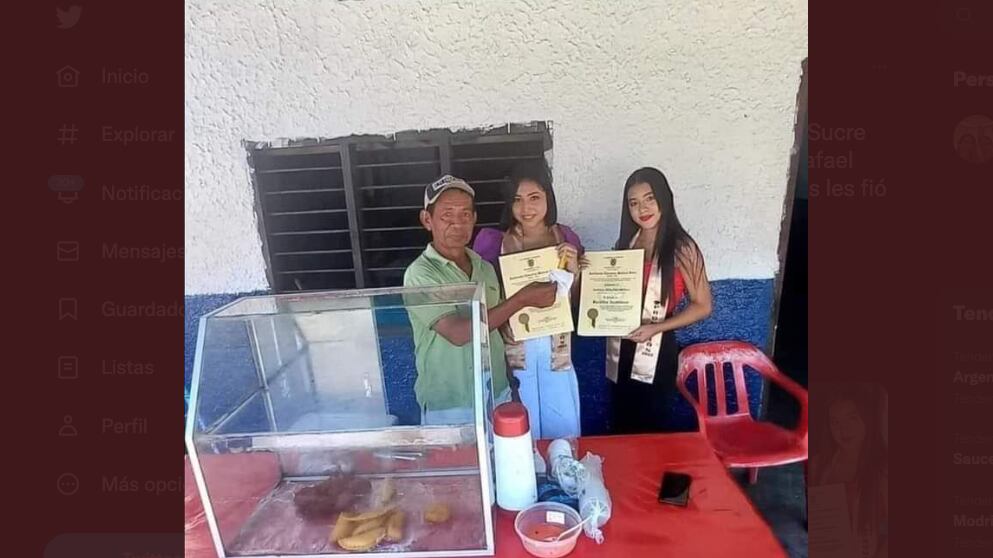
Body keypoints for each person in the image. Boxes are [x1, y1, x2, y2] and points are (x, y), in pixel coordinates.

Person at [404, 175, 557, 425]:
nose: (457, 223)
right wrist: (522, 299)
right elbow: (459, 333)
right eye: (447, 215)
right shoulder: (420, 274)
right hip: (450, 405)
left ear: (474, 219)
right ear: (427, 220)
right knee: (456, 465)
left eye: (465, 214)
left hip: (497, 395)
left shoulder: (484, 267)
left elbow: (494, 330)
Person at [473, 160, 583, 439]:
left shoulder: (566, 238)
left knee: (563, 432)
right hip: (514, 354)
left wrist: (575, 273)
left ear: (548, 198)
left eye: (534, 198)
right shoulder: (492, 243)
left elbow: (575, 304)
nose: (526, 208)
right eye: (517, 200)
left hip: (556, 352)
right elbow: (486, 300)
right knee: (521, 432)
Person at [603, 167, 713, 433]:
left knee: (651, 427)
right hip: (623, 346)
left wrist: (657, 327)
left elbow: (704, 305)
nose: (642, 208)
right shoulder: (626, 243)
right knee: (622, 423)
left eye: (649, 198)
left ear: (664, 198)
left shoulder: (682, 247)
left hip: (658, 348)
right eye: (634, 203)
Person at [809, 383, 888, 558]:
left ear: (867, 421)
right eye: (835, 422)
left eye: (852, 418)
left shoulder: (881, 471)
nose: (843, 430)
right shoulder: (819, 465)